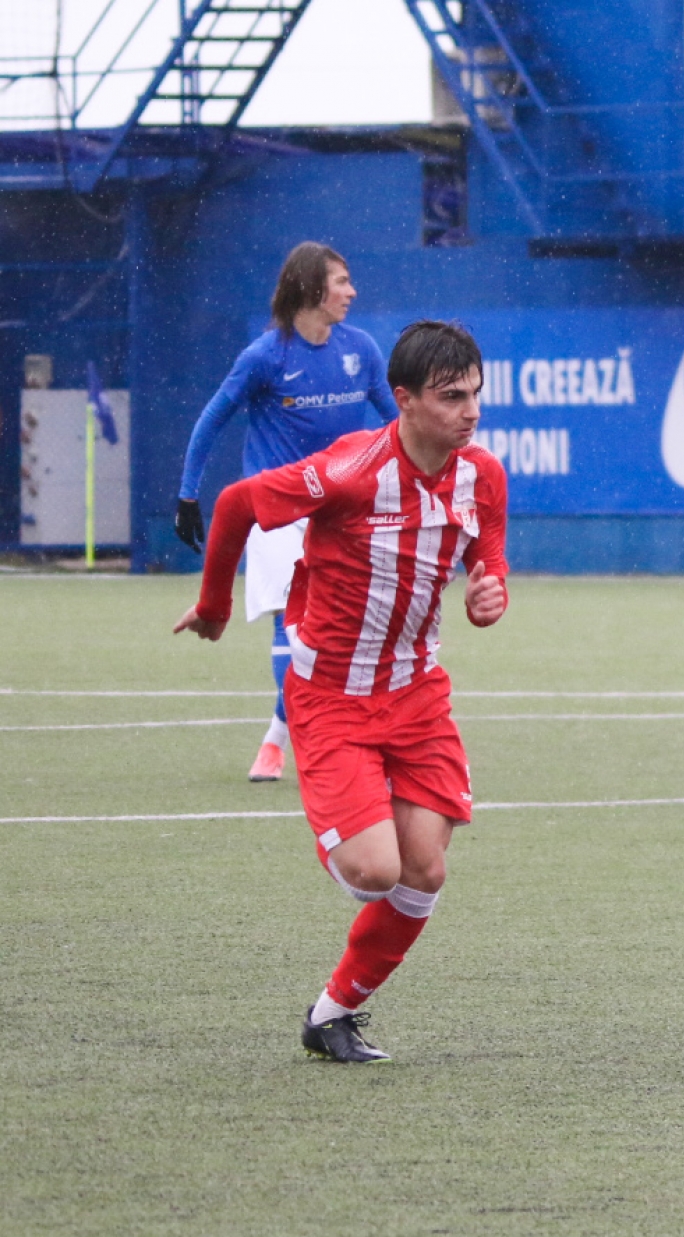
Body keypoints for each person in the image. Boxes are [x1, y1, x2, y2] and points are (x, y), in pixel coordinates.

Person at [172, 321, 508, 1064]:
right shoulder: (351, 470)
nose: (471, 411)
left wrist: (492, 596)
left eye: (475, 394)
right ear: (404, 400)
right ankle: (346, 816)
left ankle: (331, 1015)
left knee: (425, 871)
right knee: (376, 871)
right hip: (330, 696)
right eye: (452, 397)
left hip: (418, 695)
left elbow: (490, 564)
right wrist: (216, 605)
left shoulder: (482, 475)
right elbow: (235, 504)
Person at [174, 242, 402, 783]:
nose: (352, 291)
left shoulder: (362, 350)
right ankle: (311, 745)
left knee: (337, 637)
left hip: (344, 510)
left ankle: (276, 737)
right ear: (311, 288)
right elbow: (212, 419)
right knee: (293, 628)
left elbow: (398, 424)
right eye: (341, 281)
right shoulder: (265, 357)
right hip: (278, 511)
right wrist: (188, 495)